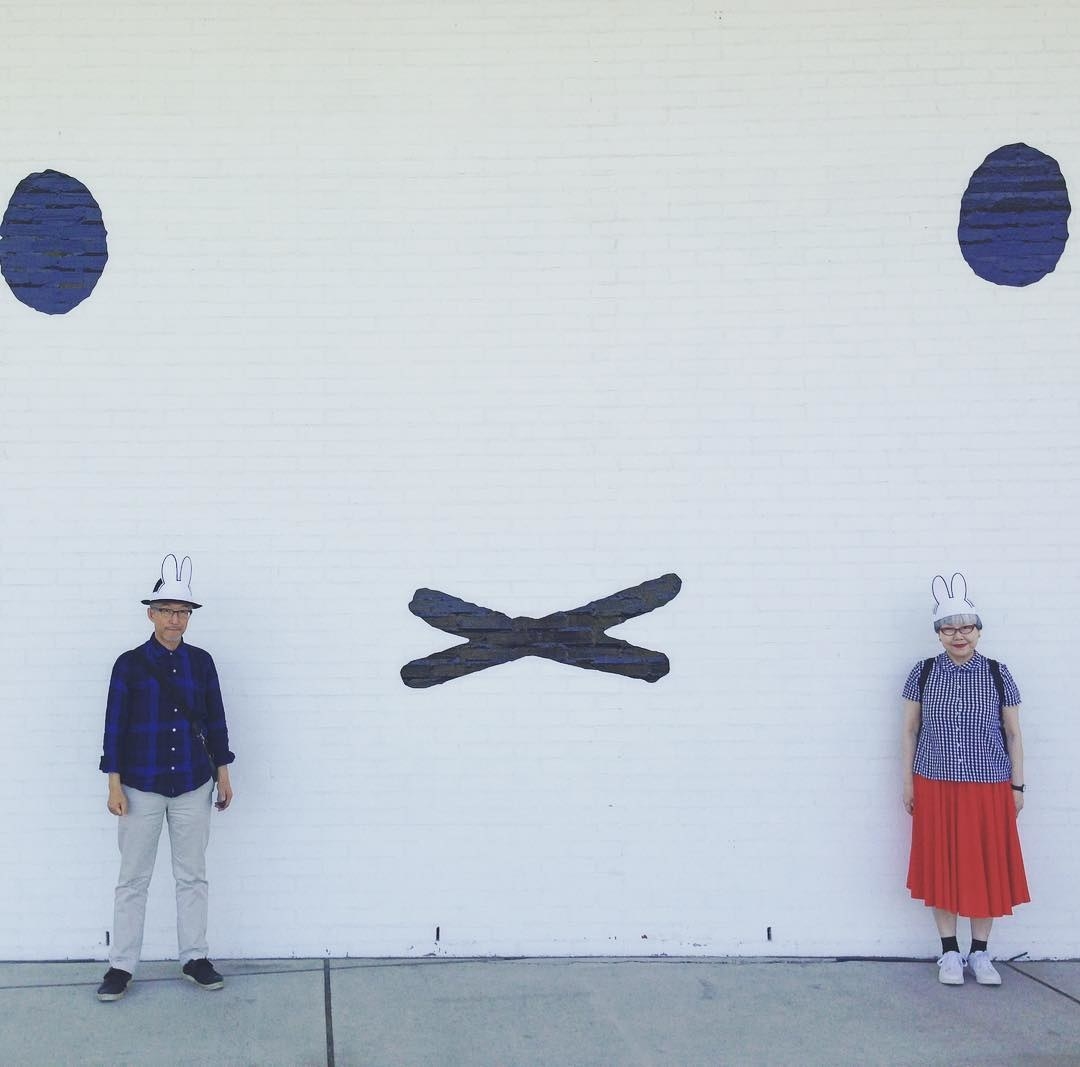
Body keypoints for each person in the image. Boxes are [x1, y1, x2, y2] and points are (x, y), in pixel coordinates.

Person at [96, 555, 235, 1002]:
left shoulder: (203, 663)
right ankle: (121, 966)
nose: (175, 620)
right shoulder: (129, 665)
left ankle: (194, 957)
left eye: (183, 613)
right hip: (140, 786)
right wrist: (114, 783)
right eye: (168, 611)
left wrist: (223, 773)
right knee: (132, 878)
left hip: (194, 784)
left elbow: (215, 720)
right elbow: (114, 725)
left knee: (192, 875)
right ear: (151, 614)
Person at [901, 572, 1028, 986]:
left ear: (978, 631)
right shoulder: (921, 673)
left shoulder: (997, 673)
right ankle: (949, 953)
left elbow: (1012, 733)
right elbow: (909, 732)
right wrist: (907, 783)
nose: (959, 636)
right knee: (943, 865)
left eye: (966, 628)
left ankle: (980, 954)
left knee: (985, 866)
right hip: (935, 784)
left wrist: (1017, 786)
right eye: (949, 629)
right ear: (938, 634)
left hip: (988, 785)